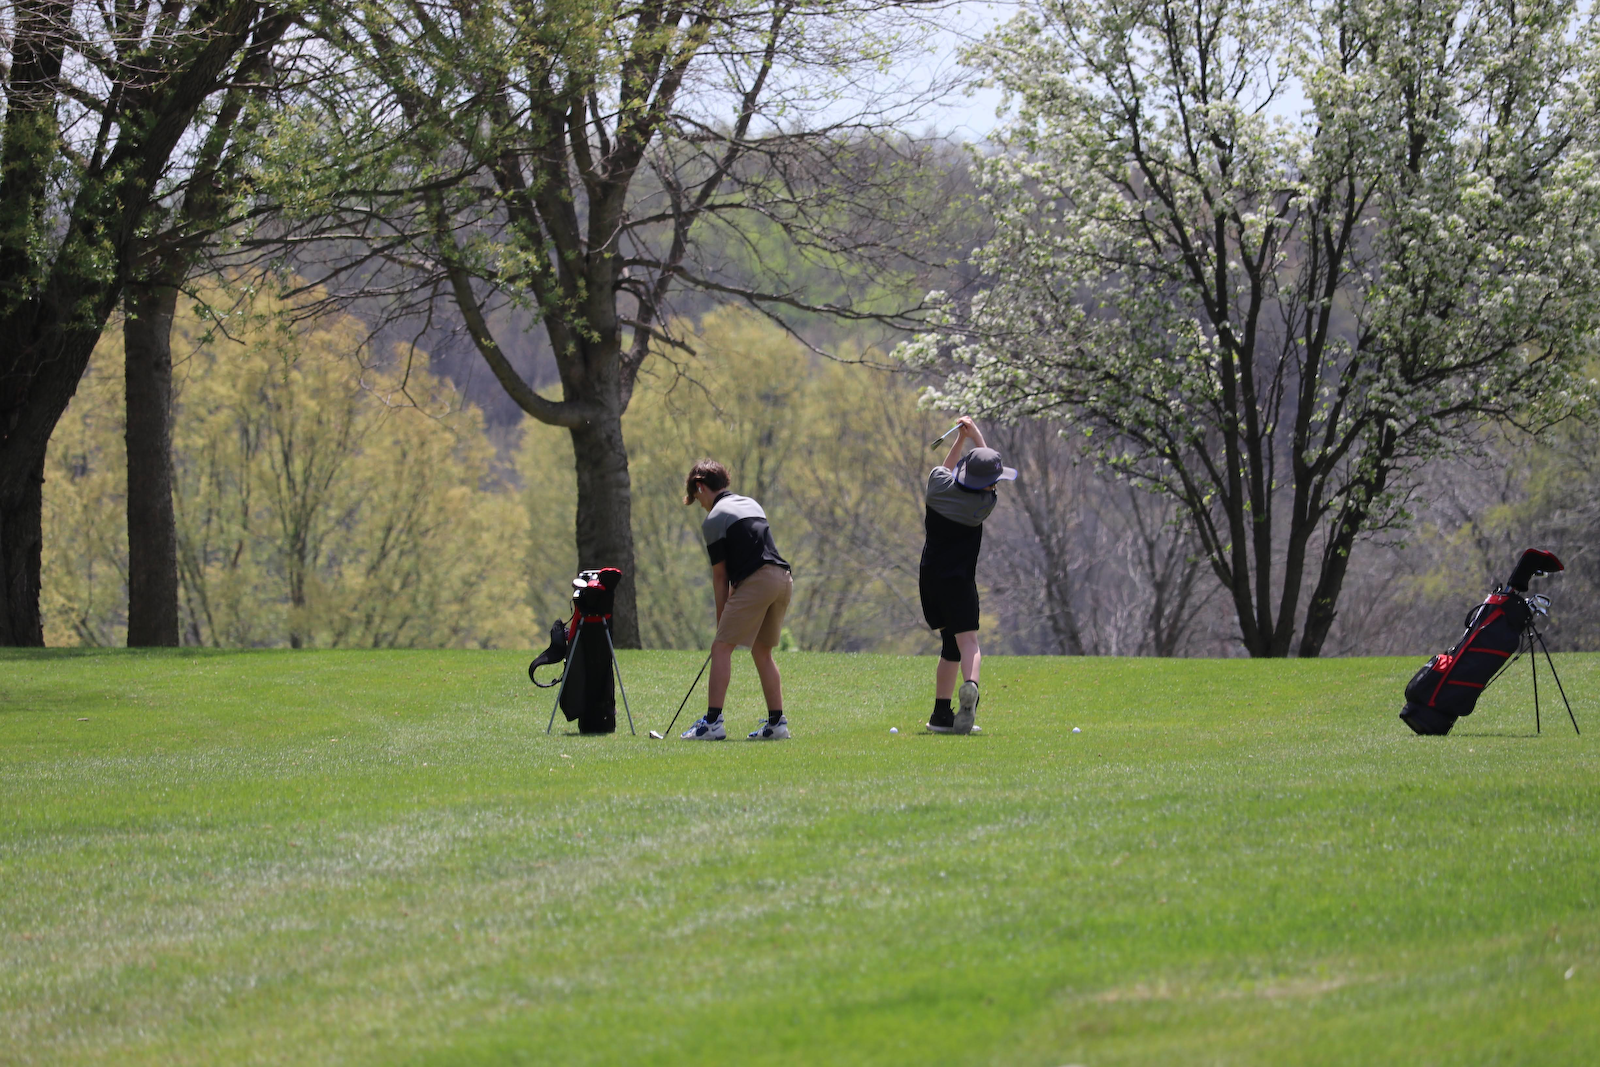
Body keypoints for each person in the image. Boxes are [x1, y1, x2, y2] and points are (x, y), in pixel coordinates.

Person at [680, 459, 794, 740]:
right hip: (782, 580)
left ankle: (712, 723)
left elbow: (721, 577)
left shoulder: (714, 520)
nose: (701, 505)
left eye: (697, 498)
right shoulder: (751, 504)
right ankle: (777, 724)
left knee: (721, 648)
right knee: (762, 651)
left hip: (759, 581)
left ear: (700, 486)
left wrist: (722, 625)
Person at [920, 416, 1015, 734]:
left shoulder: (937, 489)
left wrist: (959, 439)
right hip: (959, 583)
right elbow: (990, 476)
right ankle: (971, 685)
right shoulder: (984, 503)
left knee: (950, 644)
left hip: (930, 581)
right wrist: (976, 436)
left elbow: (945, 469)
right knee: (968, 641)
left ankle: (941, 715)